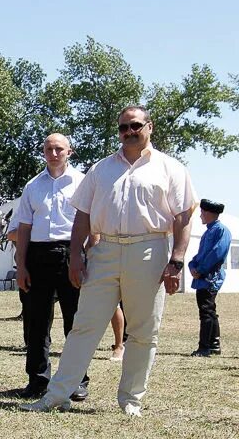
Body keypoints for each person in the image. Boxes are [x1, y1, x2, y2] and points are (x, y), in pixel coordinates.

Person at [22, 105, 196, 416]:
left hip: (149, 249)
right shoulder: (101, 169)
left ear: (149, 127)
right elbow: (83, 215)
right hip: (104, 250)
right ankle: (57, 395)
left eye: (135, 126)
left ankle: (131, 400)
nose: (129, 132)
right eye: (123, 128)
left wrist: (177, 260)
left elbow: (183, 216)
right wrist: (76, 255)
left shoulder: (171, 168)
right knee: (84, 325)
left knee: (143, 330)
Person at [14, 134, 90, 401]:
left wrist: (83, 256)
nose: (54, 153)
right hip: (38, 255)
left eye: (59, 148)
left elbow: (94, 223)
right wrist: (21, 265)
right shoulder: (33, 185)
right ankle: (37, 380)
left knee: (75, 321)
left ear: (70, 151)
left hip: (72, 253)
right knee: (36, 322)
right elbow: (23, 228)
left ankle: (77, 380)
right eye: (48, 149)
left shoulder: (83, 182)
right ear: (43, 152)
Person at [189, 198, 230, 357]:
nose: (200, 216)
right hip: (202, 277)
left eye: (202, 213)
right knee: (209, 311)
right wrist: (192, 265)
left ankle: (204, 348)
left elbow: (216, 254)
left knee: (206, 312)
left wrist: (201, 269)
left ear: (208, 213)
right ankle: (214, 345)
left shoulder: (221, 230)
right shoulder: (209, 231)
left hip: (209, 278)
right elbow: (200, 256)